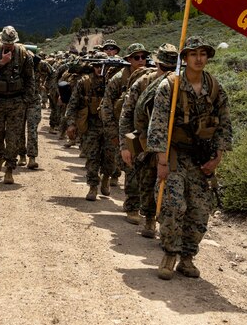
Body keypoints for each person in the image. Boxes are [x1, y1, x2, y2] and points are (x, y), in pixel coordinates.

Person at [147, 36, 232, 280]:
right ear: (184, 58)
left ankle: (187, 257)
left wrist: (218, 157)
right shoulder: (170, 87)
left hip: (200, 159)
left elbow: (224, 125)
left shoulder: (215, 88)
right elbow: (158, 125)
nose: (198, 58)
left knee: (199, 210)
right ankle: (169, 254)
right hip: (173, 154)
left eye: (203, 54)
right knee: (173, 205)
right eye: (193, 54)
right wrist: (161, 161)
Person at [118, 44, 178, 237]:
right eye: (164, 68)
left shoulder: (179, 85)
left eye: (172, 68)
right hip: (143, 140)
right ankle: (149, 219)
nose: (167, 73)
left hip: (171, 143)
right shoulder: (143, 83)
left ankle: (167, 224)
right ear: (157, 64)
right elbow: (126, 115)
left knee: (167, 184)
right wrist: (125, 146)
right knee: (145, 180)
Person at [101, 43, 150, 219]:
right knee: (131, 168)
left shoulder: (150, 78)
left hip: (149, 130)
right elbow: (106, 105)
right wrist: (114, 133)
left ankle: (148, 210)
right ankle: (132, 207)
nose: (141, 61)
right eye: (136, 57)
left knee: (147, 171)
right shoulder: (119, 79)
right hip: (129, 130)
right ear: (129, 60)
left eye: (143, 57)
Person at [0, 26, 35, 184]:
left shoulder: (24, 55)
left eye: (11, 43)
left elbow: (30, 80)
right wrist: (1, 63)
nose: (8, 46)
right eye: (6, 43)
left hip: (16, 101)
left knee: (14, 137)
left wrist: (26, 101)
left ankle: (9, 168)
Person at [64, 52, 111, 200]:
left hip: (110, 125)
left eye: (103, 66)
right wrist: (71, 124)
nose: (99, 69)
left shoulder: (113, 82)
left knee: (110, 157)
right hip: (90, 124)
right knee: (92, 156)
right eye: (97, 65)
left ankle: (106, 177)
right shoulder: (84, 82)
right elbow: (72, 104)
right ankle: (93, 186)